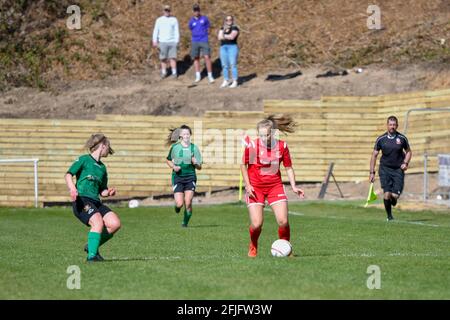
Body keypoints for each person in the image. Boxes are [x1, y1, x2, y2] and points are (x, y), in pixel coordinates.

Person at [241, 114, 305, 257]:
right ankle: (253, 245)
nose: (264, 139)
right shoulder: (253, 146)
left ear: (273, 133)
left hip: (274, 186)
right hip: (255, 188)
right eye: (261, 136)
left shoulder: (282, 146)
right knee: (257, 224)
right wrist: (248, 184)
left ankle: (286, 249)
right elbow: (243, 165)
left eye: (267, 136)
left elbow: (288, 167)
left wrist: (294, 186)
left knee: (283, 221)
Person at [64, 134, 121, 262]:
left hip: (96, 201)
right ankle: (92, 257)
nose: (108, 150)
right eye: (108, 147)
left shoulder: (102, 168)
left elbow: (102, 191)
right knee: (98, 223)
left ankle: (91, 246)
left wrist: (109, 192)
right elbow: (68, 175)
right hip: (82, 200)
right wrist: (72, 188)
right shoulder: (84, 160)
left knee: (114, 224)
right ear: (103, 146)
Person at [369, 116, 412, 221]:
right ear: (387, 125)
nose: (392, 127)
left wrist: (405, 163)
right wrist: (372, 172)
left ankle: (393, 200)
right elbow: (374, 155)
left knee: (394, 196)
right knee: (387, 194)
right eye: (390, 124)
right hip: (385, 169)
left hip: (398, 170)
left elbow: (409, 152)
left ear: (397, 126)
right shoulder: (381, 139)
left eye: (394, 125)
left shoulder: (402, 138)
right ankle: (389, 216)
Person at [166, 125, 203, 227]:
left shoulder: (194, 148)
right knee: (179, 203)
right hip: (178, 177)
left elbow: (199, 167)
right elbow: (168, 160)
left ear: (190, 135)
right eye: (184, 134)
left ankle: (185, 223)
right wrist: (173, 166)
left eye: (188, 133)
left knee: (188, 202)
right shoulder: (175, 147)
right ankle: (177, 207)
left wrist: (195, 163)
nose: (186, 135)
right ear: (180, 135)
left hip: (190, 177)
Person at [189, 4, 214, 84]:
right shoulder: (191, 21)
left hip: (204, 39)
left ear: (199, 10)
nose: (196, 12)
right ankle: (198, 75)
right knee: (196, 58)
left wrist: (207, 33)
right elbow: (191, 28)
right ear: (193, 11)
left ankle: (210, 75)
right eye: (195, 10)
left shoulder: (204, 18)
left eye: (198, 10)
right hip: (195, 40)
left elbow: (209, 27)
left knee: (207, 57)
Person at [152, 4, 180, 79]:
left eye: (168, 10)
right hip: (162, 42)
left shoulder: (174, 19)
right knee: (163, 58)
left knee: (173, 58)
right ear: (163, 11)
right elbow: (155, 31)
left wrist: (177, 41)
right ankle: (164, 72)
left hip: (172, 42)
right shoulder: (159, 20)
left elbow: (176, 31)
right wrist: (154, 41)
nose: (167, 11)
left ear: (170, 11)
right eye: (165, 10)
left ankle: (174, 73)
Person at [218, 15, 240, 88]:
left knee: (233, 64)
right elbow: (219, 37)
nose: (229, 21)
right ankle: (226, 80)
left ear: (232, 20)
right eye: (227, 20)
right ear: (225, 21)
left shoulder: (235, 28)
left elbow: (232, 37)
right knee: (224, 65)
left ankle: (235, 81)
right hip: (223, 47)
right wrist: (225, 36)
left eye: (230, 19)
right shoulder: (222, 28)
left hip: (232, 47)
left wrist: (223, 36)